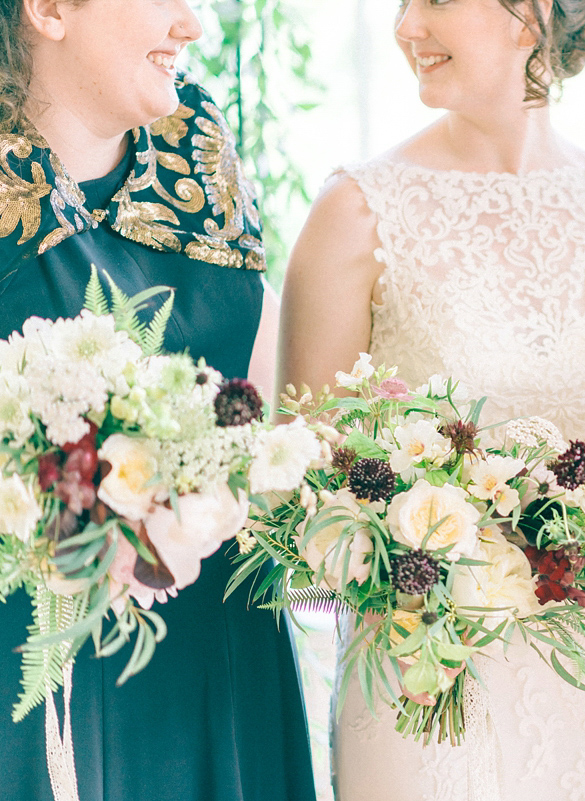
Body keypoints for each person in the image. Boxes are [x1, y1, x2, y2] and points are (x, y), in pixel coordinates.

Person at [279, 0, 585, 798]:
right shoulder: (356, 211)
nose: (405, 28)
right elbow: (303, 487)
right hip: (435, 680)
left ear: (529, 17)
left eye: (432, 0)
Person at [0, 1, 317, 800]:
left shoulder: (198, 141)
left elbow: (273, 396)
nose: (193, 25)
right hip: (33, 674)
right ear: (47, 10)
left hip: (215, 655)